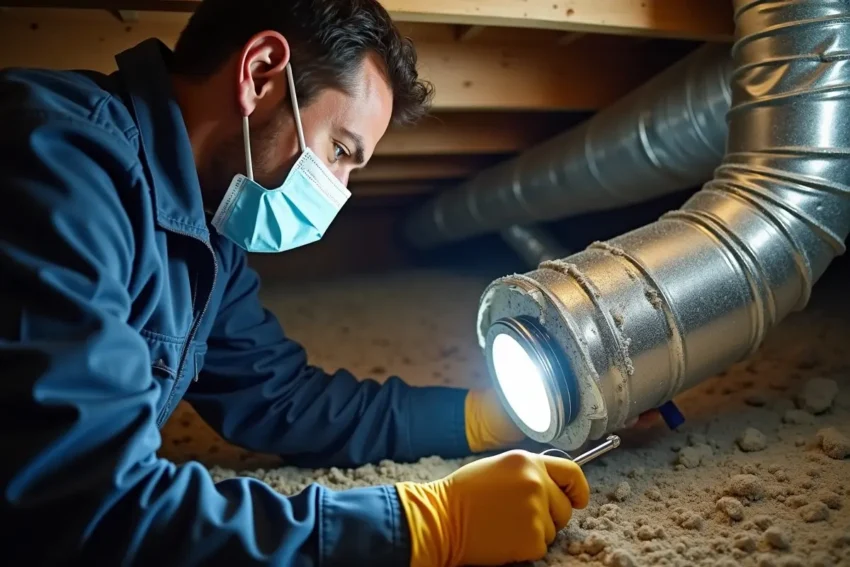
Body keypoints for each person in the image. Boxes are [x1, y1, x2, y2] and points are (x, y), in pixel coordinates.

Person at [0, 0, 590, 565]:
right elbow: (86, 508)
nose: (340, 188)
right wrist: (422, 525)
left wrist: (486, 418)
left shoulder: (206, 229)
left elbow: (282, 398)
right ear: (260, 75)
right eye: (338, 150)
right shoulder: (54, 161)